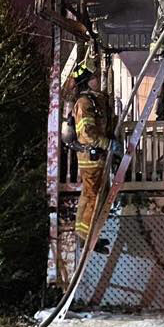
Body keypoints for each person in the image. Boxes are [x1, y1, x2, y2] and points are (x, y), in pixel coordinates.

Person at [63, 50, 116, 255]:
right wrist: (108, 144)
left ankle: (82, 234)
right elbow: (86, 133)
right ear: (87, 81)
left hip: (92, 157)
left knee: (88, 195)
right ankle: (89, 237)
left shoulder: (92, 100)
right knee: (95, 197)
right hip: (92, 157)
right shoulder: (85, 103)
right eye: (94, 77)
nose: (98, 80)